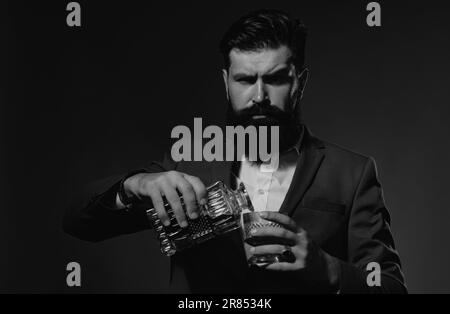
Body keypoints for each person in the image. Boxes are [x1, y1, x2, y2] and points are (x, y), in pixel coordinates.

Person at [64, 9, 407, 293]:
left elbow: (389, 286)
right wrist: (134, 185)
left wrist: (328, 269)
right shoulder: (191, 160)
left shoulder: (353, 172)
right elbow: (78, 220)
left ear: (299, 82)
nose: (259, 96)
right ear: (225, 83)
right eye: (245, 80)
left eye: (275, 79)